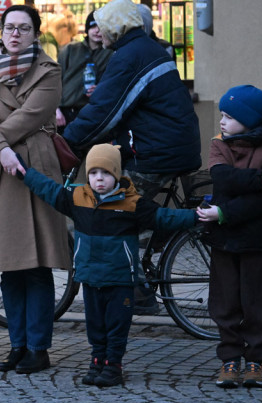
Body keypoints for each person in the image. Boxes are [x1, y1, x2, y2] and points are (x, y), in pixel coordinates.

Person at [18, 143, 196, 387]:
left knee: (116, 325)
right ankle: (97, 360)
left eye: (105, 173)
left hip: (119, 279)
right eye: (93, 173)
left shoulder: (132, 203)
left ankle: (113, 365)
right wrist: (24, 172)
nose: (98, 179)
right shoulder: (77, 198)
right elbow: (48, 189)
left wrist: (196, 216)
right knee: (95, 325)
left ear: (117, 175)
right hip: (91, 278)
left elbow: (165, 218)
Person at [0, 3, 72, 375]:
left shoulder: (49, 70)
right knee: (9, 267)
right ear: (0, 32)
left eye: (23, 28)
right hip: (0, 171)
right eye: (8, 27)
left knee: (37, 265)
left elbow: (31, 116)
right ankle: (16, 344)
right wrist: (0, 151)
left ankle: (38, 347)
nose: (14, 34)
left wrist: (0, 146)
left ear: (35, 33)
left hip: (36, 170)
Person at [64, 0, 201, 194]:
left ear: (115, 27)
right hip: (174, 147)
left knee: (112, 207)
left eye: (103, 26)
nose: (99, 33)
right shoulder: (147, 48)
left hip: (157, 154)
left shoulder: (129, 57)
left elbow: (104, 110)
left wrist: (68, 141)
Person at [195, 85, 262, 388]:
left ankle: (255, 360)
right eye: (222, 115)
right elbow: (222, 178)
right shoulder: (219, 145)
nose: (222, 121)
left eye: (229, 116)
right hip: (224, 239)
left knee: (256, 302)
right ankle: (229, 359)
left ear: (249, 119)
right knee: (225, 301)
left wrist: (225, 210)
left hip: (256, 239)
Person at [56, 10, 113, 128]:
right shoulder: (70, 50)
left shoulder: (111, 54)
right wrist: (55, 109)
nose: (97, 30)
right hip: (64, 114)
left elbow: (114, 85)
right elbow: (54, 81)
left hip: (92, 114)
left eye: (101, 26)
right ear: (87, 29)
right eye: (93, 26)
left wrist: (100, 89)